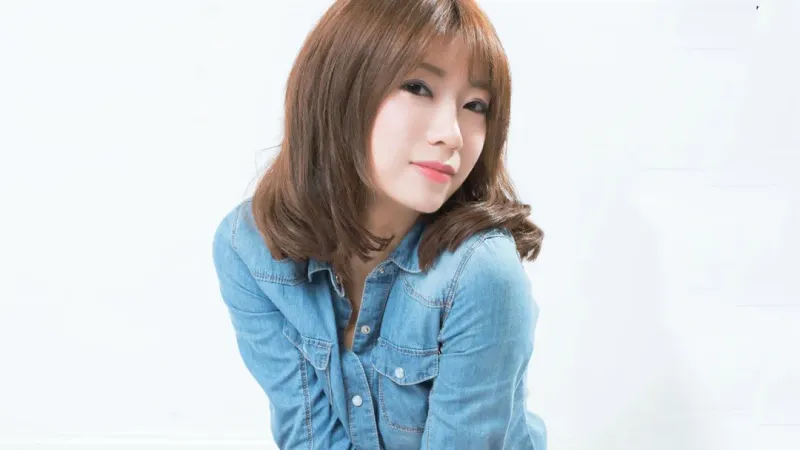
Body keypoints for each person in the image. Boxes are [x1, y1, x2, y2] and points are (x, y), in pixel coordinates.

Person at [212, 0, 546, 448]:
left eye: (475, 105)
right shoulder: (250, 248)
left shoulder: (481, 273)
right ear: (340, 85)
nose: (452, 134)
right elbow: (309, 437)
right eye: (418, 87)